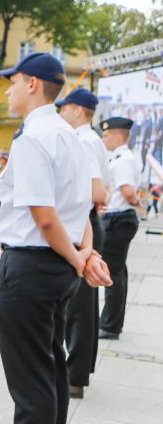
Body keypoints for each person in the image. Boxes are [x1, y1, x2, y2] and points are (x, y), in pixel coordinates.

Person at [0, 52, 111, 424]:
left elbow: (45, 218)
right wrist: (82, 256)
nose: (7, 91)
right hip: (58, 269)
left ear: (31, 84)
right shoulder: (70, 136)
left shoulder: (33, 139)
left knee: (30, 380)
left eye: (12, 82)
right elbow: (84, 209)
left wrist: (77, 256)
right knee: (49, 368)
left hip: (29, 266)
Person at [56, 88, 112, 397]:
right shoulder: (92, 140)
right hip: (87, 222)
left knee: (77, 306)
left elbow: (98, 193)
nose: (61, 112)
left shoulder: (84, 140)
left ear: (78, 110)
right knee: (84, 305)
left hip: (82, 224)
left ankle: (74, 374)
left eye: (65, 108)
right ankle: (79, 371)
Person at [98, 116, 142, 341]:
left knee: (112, 273)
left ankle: (109, 325)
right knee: (117, 271)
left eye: (106, 135)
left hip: (117, 219)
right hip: (119, 218)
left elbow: (128, 192)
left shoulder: (123, 160)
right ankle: (112, 322)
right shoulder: (122, 157)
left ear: (117, 136)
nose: (104, 138)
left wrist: (136, 202)